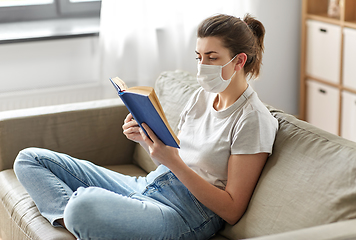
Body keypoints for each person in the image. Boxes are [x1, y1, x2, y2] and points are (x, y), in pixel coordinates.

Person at [13, 13, 278, 240]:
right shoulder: (201, 96)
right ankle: (74, 223)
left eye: (211, 57)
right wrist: (147, 141)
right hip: (151, 185)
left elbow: (232, 210)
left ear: (239, 61)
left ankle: (84, 219)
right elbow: (173, 159)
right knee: (29, 159)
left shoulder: (253, 120)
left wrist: (173, 163)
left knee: (83, 206)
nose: (201, 66)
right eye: (198, 56)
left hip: (186, 214)